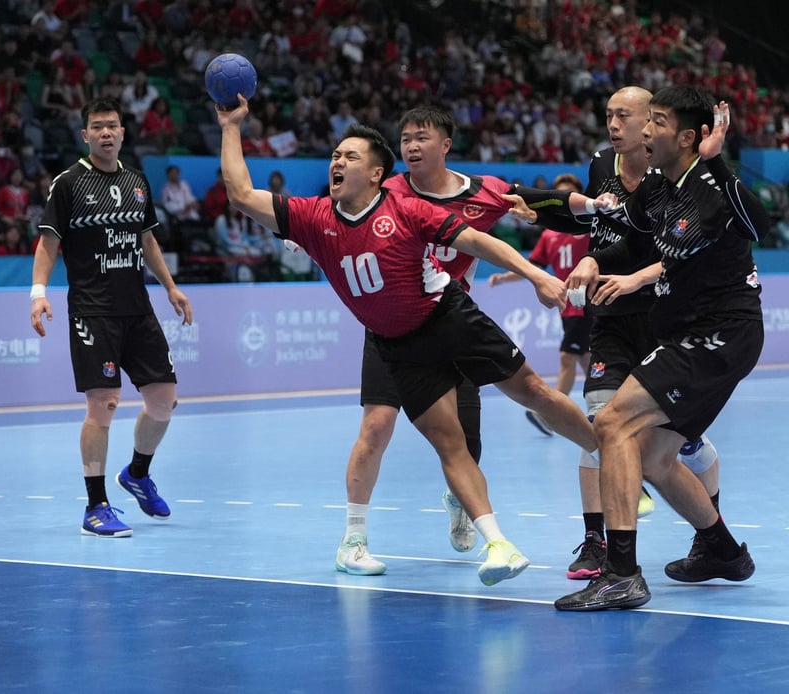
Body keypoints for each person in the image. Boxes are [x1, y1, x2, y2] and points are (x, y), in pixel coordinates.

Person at [218, 95, 601, 586]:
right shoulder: (313, 218)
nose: (337, 161)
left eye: (350, 156)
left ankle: (612, 454)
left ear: (377, 174)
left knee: (531, 393)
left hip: (448, 316)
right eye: (335, 155)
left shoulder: (405, 208)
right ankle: (496, 545)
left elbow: (479, 241)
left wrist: (534, 275)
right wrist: (232, 127)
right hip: (396, 343)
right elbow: (241, 194)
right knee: (442, 442)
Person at [331, 106, 610, 576]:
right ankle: (353, 539)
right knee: (376, 425)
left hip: (450, 319)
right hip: (390, 325)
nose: (412, 146)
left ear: (445, 144)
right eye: (406, 139)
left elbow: (546, 202)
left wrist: (596, 206)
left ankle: (460, 500)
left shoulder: (482, 192)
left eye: (422, 137)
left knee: (466, 440)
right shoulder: (389, 190)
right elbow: (341, 209)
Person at [555, 88, 769, 611]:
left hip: (717, 333)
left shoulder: (712, 188)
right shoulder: (655, 180)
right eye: (643, 120)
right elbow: (622, 229)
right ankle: (722, 552)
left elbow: (748, 222)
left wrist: (717, 169)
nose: (644, 132)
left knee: (612, 424)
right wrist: (540, 213)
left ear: (688, 137)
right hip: (686, 332)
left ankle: (622, 574)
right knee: (653, 455)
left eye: (657, 122)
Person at [530, 86, 725, 581]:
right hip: (612, 316)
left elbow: (687, 248)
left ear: (651, 125)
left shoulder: (676, 178)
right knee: (599, 427)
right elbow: (594, 224)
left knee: (682, 446)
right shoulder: (601, 165)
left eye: (624, 116)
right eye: (608, 116)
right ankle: (598, 542)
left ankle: (711, 535)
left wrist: (636, 275)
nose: (613, 125)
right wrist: (565, 244)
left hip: (667, 318)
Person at [30, 97, 193, 538]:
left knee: (164, 400)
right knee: (103, 405)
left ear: (123, 133)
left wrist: (171, 287)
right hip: (92, 310)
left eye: (113, 126)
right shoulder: (68, 183)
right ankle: (96, 506)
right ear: (85, 135)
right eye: (97, 127)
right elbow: (48, 242)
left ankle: (137, 474)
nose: (106, 133)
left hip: (136, 307)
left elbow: (147, 242)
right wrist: (38, 293)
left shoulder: (138, 183)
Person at [488, 173, 592, 436]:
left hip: (590, 303)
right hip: (567, 306)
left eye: (568, 195)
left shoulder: (591, 226)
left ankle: (549, 415)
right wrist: (503, 278)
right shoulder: (549, 235)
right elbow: (532, 267)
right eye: (558, 196)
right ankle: (605, 408)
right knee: (585, 359)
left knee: (569, 356)